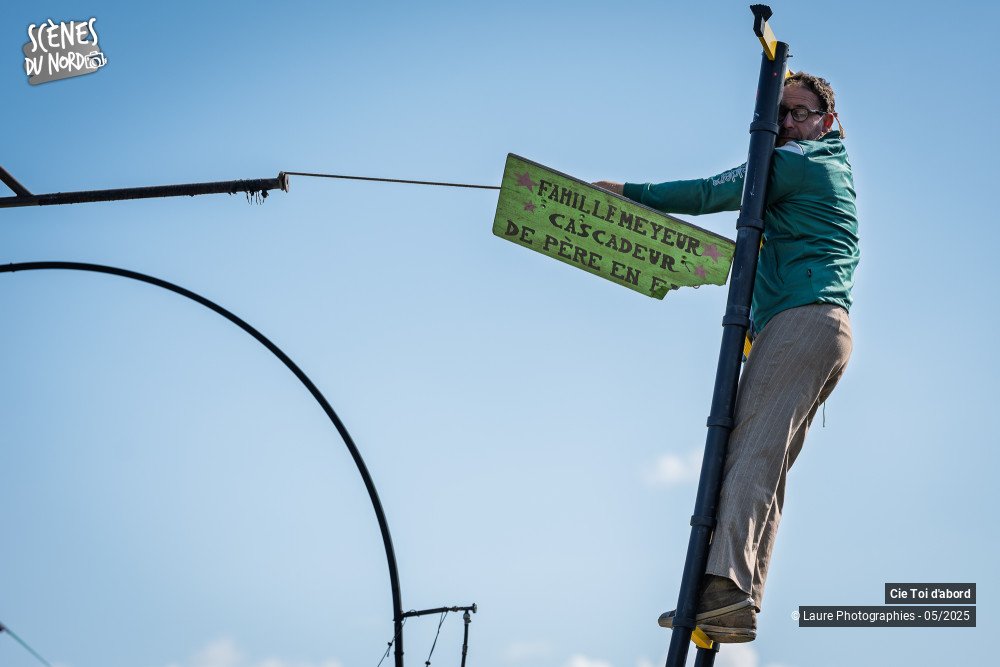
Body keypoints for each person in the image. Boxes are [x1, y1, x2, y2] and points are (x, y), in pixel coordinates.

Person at [594, 72, 859, 643]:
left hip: (803, 319)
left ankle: (724, 586)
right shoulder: (823, 169)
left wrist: (628, 194)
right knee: (767, 458)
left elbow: (715, 190)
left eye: (798, 114)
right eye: (779, 112)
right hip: (817, 325)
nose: (785, 124)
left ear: (826, 123)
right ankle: (737, 596)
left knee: (751, 449)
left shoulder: (797, 164)